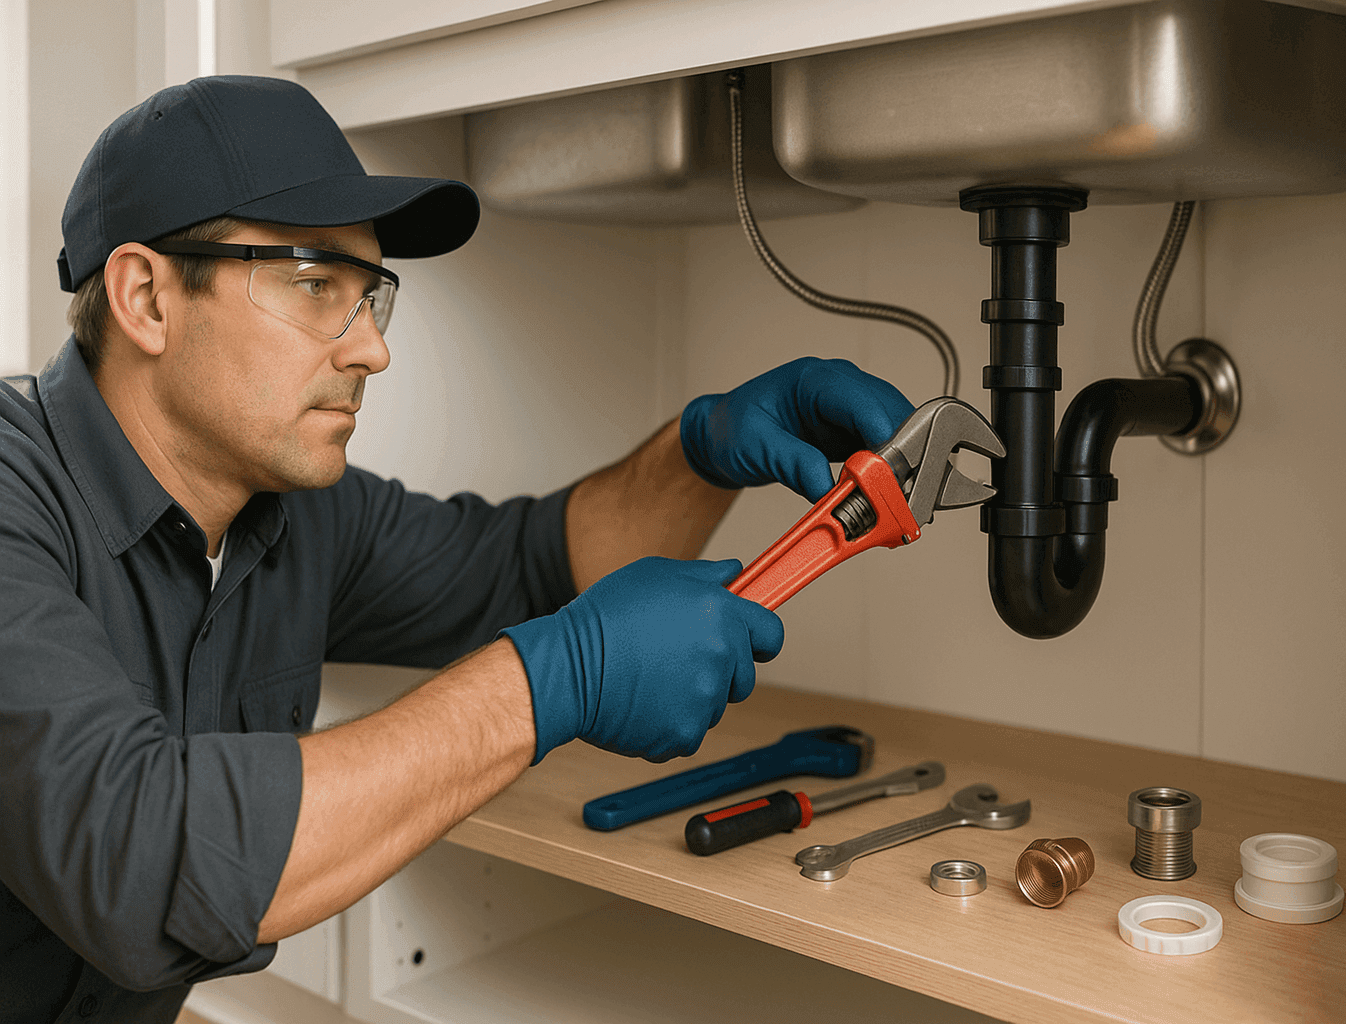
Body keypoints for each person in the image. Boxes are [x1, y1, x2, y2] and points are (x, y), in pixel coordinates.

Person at [0, 75, 915, 1023]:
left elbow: (528, 566)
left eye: (371, 297)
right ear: (146, 297)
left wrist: (700, 453)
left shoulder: (293, 512)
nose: (372, 353)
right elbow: (140, 863)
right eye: (316, 287)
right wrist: (555, 676)